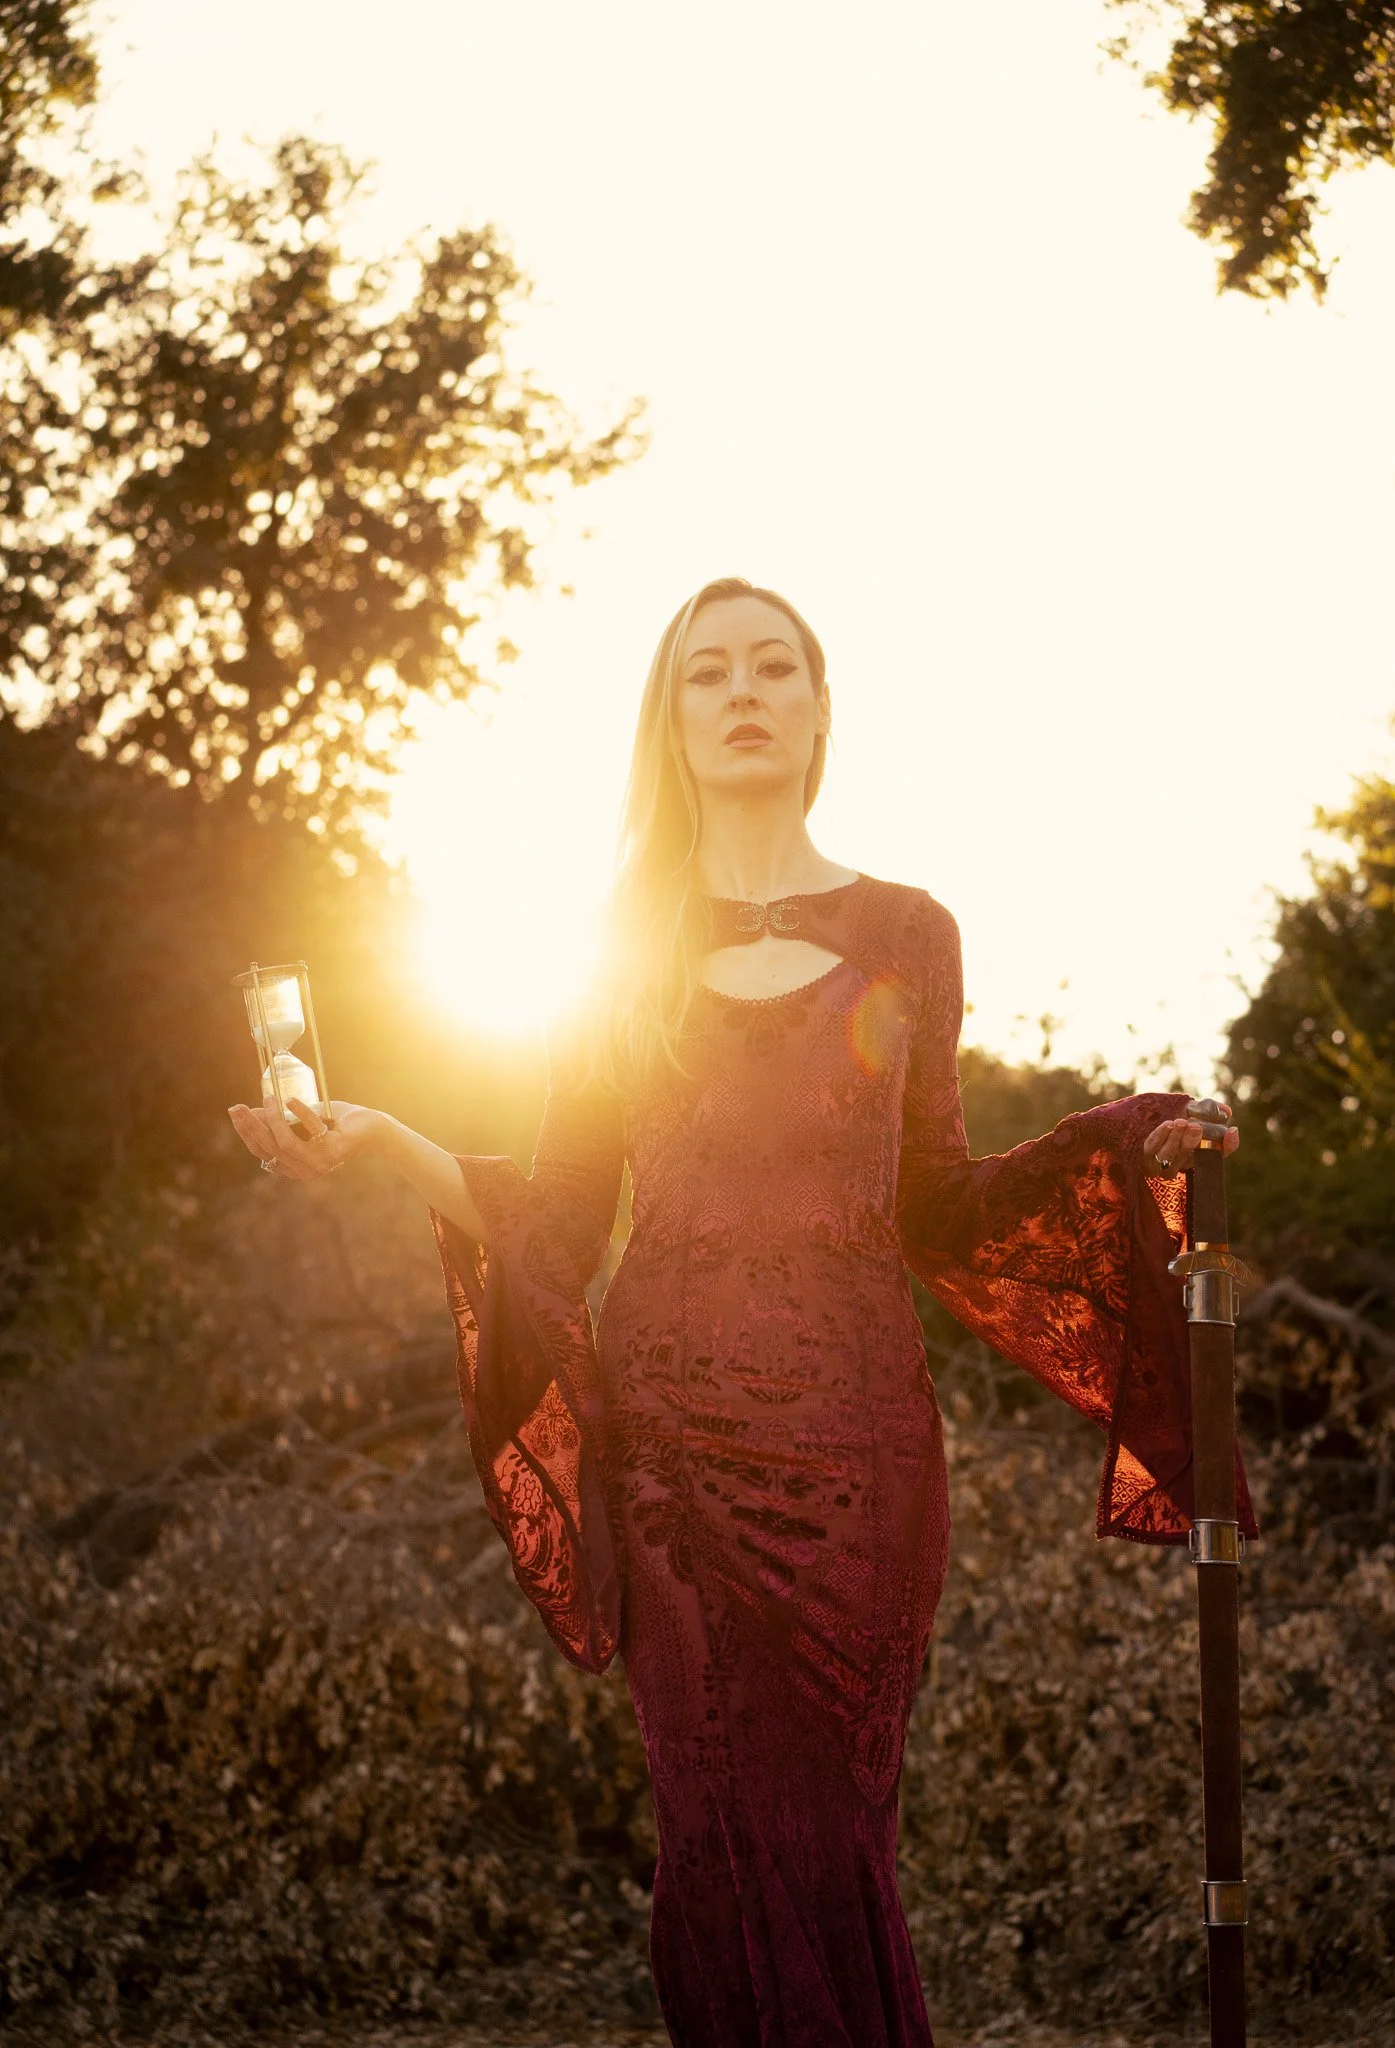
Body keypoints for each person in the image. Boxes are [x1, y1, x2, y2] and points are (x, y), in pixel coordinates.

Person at [228, 575, 1252, 2048]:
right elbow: (559, 1215)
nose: (744, 691)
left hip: (859, 1465)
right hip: (675, 1465)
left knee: (829, 1843)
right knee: (719, 1846)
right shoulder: (615, 942)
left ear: (822, 711)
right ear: (673, 721)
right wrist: (384, 1140)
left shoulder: (910, 931)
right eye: (707, 673)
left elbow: (933, 1202)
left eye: (775, 666)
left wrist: (1122, 1141)